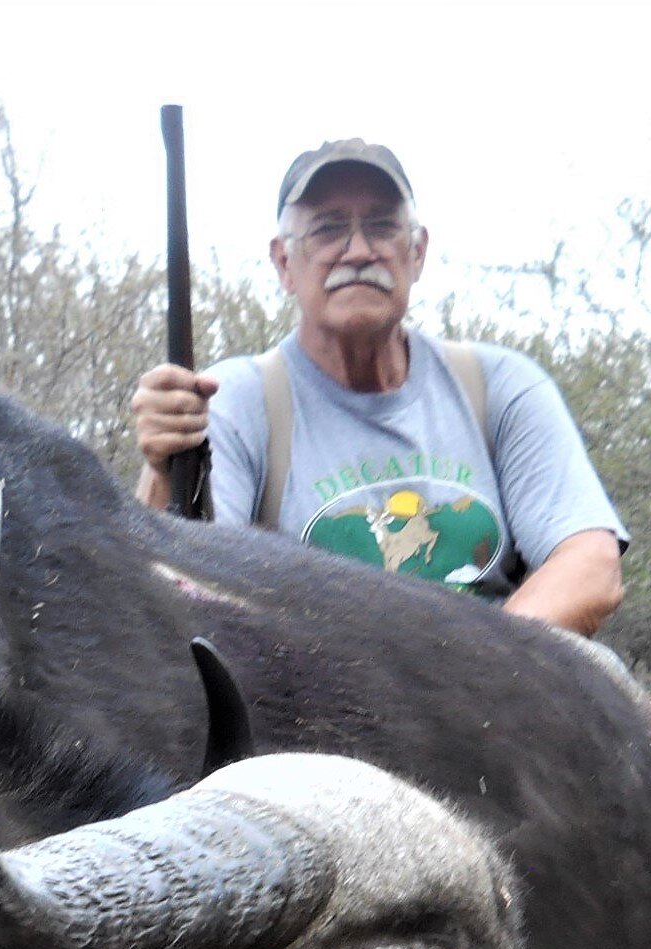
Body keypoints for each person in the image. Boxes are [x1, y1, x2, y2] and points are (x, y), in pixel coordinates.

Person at [131, 138, 626, 637]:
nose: (360, 251)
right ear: (284, 263)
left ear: (417, 252)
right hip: (310, 696)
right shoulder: (234, 400)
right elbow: (187, 584)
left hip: (497, 686)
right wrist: (162, 468)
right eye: (328, 230)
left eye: (382, 227)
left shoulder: (501, 385)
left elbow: (589, 564)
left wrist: (469, 673)